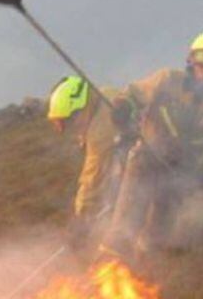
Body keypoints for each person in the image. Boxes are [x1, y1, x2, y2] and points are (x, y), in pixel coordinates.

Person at [98, 30, 203, 262]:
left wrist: (201, 176)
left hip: (180, 177)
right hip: (147, 159)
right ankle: (110, 264)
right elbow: (134, 93)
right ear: (191, 61)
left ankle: (142, 275)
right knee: (126, 223)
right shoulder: (166, 80)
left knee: (156, 238)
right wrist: (123, 107)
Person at [47, 75, 138, 248]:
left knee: (118, 185)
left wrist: (80, 218)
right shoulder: (103, 95)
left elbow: (92, 178)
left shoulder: (100, 130)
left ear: (79, 110)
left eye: (68, 121)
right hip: (149, 145)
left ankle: (127, 239)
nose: (69, 129)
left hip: (149, 157)